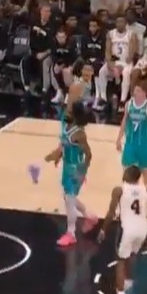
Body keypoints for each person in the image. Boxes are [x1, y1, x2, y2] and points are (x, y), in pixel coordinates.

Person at [98, 165, 147, 294]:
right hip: (143, 228)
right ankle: (129, 289)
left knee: (120, 261)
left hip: (127, 229)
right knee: (131, 256)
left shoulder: (119, 190)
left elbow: (110, 213)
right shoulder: (146, 190)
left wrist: (103, 229)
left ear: (127, 175)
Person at [44, 100, 95, 247]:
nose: (66, 111)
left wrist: (82, 172)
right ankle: (89, 216)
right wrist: (55, 156)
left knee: (69, 199)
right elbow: (62, 146)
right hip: (67, 166)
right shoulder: (66, 128)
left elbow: (89, 155)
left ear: (74, 114)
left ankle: (71, 233)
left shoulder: (79, 133)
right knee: (67, 197)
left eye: (69, 109)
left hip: (75, 168)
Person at [116, 85, 147, 220]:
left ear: (145, 92)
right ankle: (124, 207)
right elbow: (124, 121)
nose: (135, 92)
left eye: (138, 90)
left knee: (146, 176)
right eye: (134, 90)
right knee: (127, 176)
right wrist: (119, 138)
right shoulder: (129, 104)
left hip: (145, 146)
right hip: (131, 145)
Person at [97, 14, 137, 111]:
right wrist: (109, 62)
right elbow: (107, 50)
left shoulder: (131, 34)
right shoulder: (110, 34)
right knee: (102, 72)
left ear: (126, 23)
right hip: (114, 61)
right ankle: (103, 98)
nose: (119, 24)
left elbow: (132, 52)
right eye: (118, 22)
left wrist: (123, 64)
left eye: (121, 22)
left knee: (126, 73)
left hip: (125, 62)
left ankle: (122, 101)